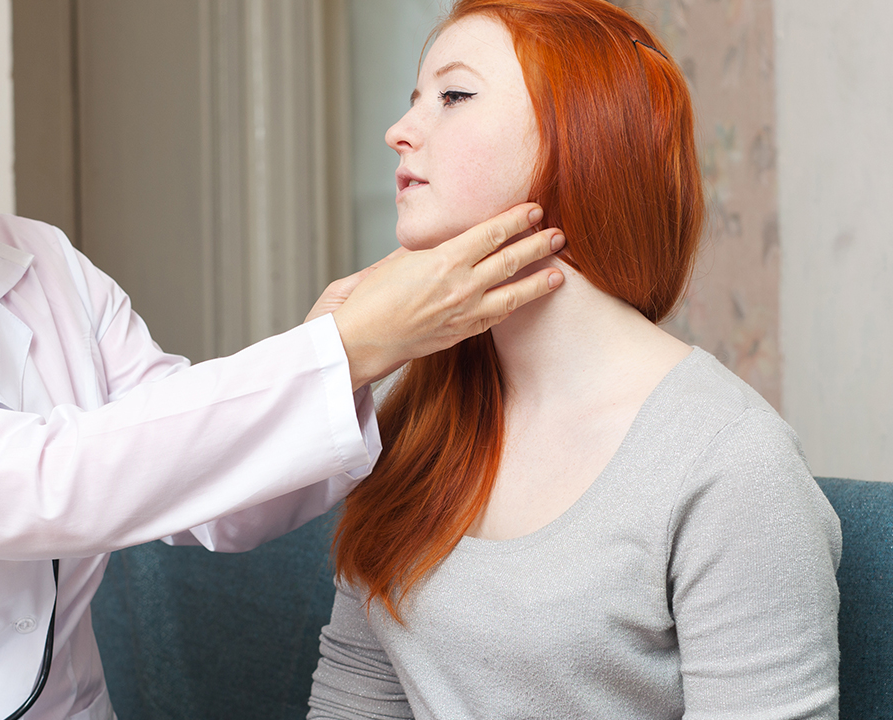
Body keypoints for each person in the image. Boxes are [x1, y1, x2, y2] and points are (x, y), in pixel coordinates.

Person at [0, 0, 568, 718]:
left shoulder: (38, 262)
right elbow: (47, 484)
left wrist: (356, 359)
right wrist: (344, 347)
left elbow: (210, 493)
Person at [307, 1, 841, 718]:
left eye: (454, 95)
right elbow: (354, 699)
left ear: (580, 136)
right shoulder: (414, 411)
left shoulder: (731, 463)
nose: (399, 131)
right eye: (415, 99)